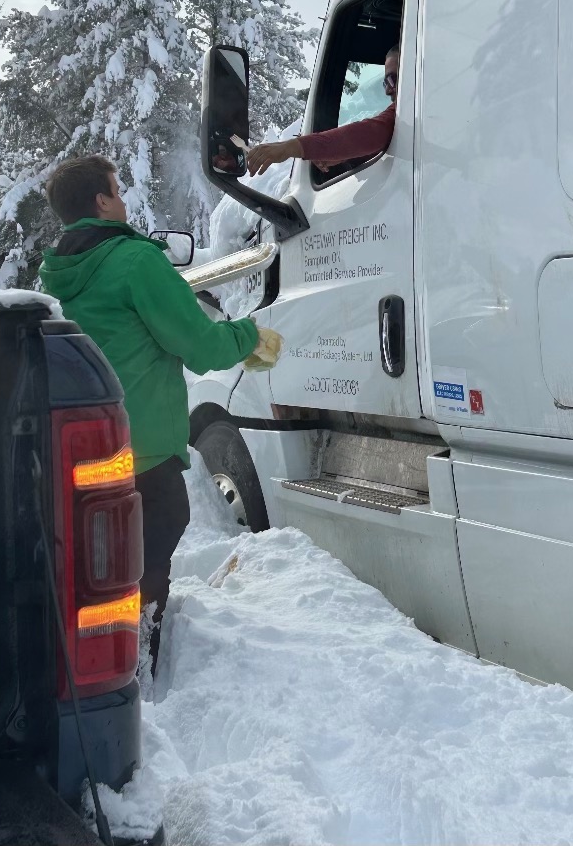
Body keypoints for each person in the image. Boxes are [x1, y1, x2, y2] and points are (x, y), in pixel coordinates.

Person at [39, 155, 261, 679]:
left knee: (100, 556)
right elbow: (201, 344)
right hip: (142, 446)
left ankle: (93, 651)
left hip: (82, 445)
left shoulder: (55, 275)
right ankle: (135, 658)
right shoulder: (136, 262)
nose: (121, 197)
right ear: (101, 202)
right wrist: (251, 336)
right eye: (116, 189)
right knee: (154, 540)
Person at [247, 45, 400, 177]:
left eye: (392, 79)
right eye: (385, 82)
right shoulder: (409, 116)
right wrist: (344, 155)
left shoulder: (406, 115)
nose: (387, 90)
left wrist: (291, 147)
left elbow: (373, 132)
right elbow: (386, 141)